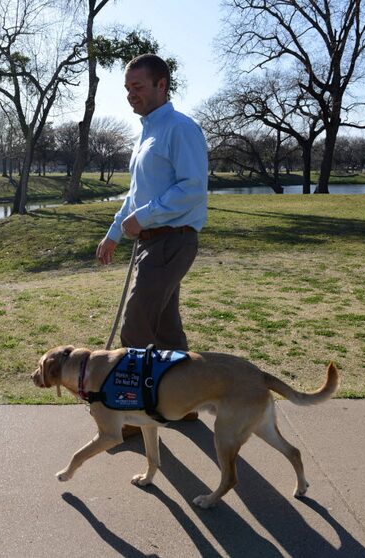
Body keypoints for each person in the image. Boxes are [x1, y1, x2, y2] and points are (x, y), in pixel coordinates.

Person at [96, 53, 208, 354]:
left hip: (172, 240)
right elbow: (136, 193)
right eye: (127, 89)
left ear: (162, 85)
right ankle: (181, 400)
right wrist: (114, 233)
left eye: (138, 87)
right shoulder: (147, 132)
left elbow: (193, 187)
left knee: (135, 329)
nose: (131, 96)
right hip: (152, 242)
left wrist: (143, 217)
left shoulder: (180, 128)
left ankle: (130, 400)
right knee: (164, 332)